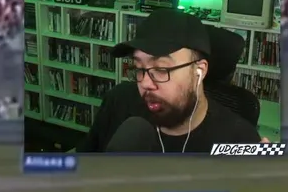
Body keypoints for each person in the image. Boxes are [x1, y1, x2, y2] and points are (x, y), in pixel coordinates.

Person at [76, 9, 262, 153]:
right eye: (139, 68)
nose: (145, 83)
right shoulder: (119, 101)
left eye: (161, 69)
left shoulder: (240, 141)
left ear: (199, 71)